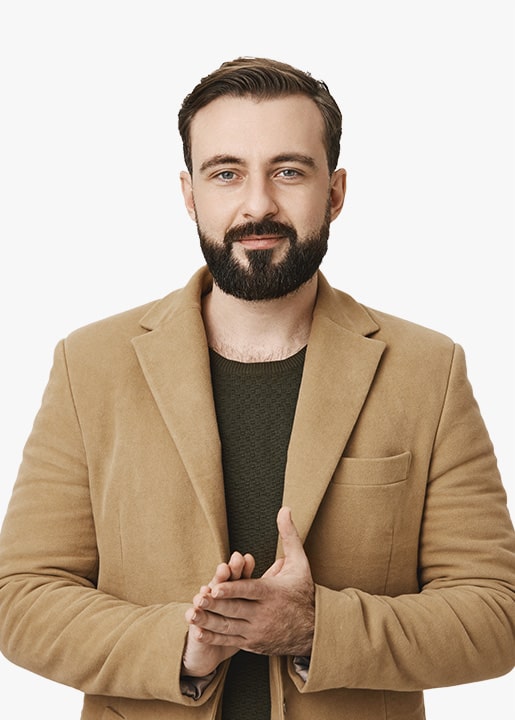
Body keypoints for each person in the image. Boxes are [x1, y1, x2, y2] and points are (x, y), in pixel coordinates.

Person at [0, 56, 514, 720]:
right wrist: (182, 645)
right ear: (190, 194)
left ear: (335, 192)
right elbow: (21, 596)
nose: (258, 204)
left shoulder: (426, 370)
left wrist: (316, 627)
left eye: (288, 171)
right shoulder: (90, 365)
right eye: (226, 173)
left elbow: (495, 614)